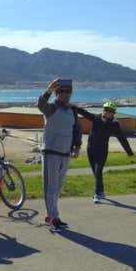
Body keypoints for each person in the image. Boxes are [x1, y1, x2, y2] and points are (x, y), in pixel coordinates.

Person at [38, 78, 82, 232]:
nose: (65, 94)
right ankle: (54, 218)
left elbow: (76, 129)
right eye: (61, 91)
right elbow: (41, 105)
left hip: (65, 154)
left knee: (57, 188)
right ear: (57, 93)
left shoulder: (72, 110)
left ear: (71, 93)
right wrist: (48, 90)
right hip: (51, 153)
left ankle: (51, 216)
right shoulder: (51, 108)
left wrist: (77, 147)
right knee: (50, 188)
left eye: (68, 92)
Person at [72, 101, 134, 203]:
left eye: (110, 111)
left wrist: (129, 152)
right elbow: (84, 113)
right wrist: (73, 107)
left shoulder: (114, 124)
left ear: (113, 113)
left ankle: (97, 194)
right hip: (90, 148)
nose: (107, 112)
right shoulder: (96, 118)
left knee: (98, 172)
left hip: (102, 150)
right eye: (105, 109)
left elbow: (122, 138)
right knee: (95, 173)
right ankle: (101, 192)